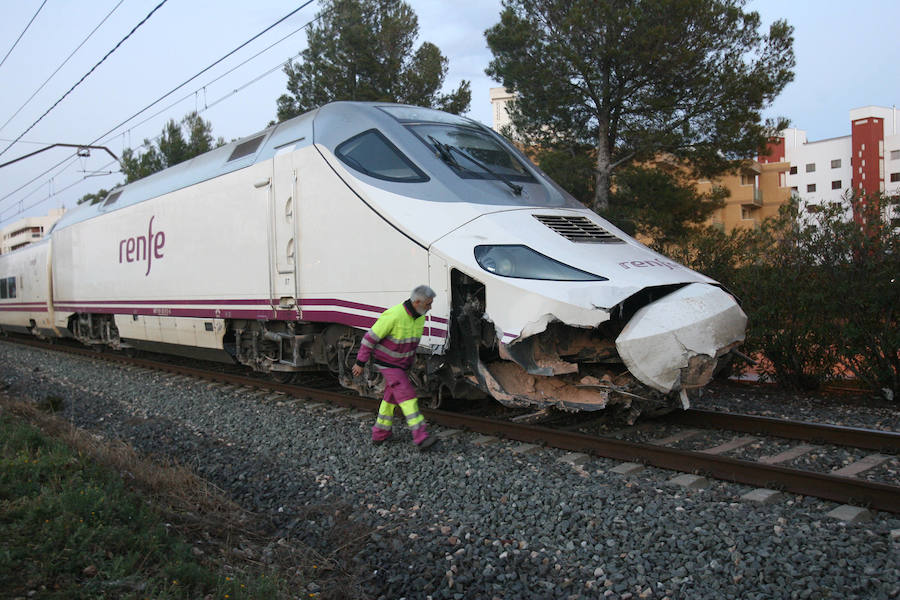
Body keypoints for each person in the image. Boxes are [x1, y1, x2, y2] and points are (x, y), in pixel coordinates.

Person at [352, 285, 438, 451]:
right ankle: (421, 438)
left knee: (390, 399)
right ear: (417, 302)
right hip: (389, 364)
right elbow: (369, 339)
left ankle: (379, 434)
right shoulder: (394, 315)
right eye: (428, 304)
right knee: (408, 396)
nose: (430, 307)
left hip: (402, 365)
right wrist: (360, 363)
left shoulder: (420, 317)